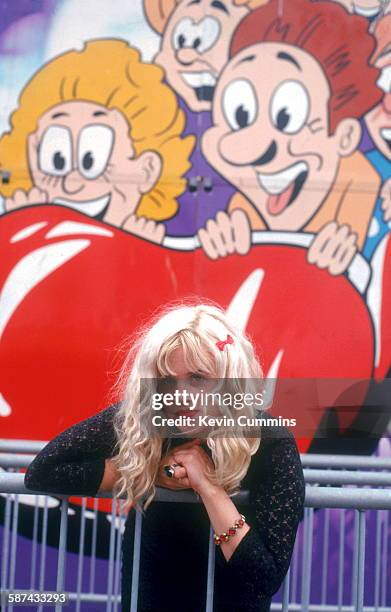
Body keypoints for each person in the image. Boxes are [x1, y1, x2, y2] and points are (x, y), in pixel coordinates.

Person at [24, 300, 306, 612]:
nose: (180, 394)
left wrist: (208, 487)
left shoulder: (268, 439)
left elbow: (263, 578)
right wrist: (148, 469)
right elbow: (43, 471)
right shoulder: (143, 420)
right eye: (168, 380)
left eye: (198, 377)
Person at [0, 39, 195, 243]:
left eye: (91, 159)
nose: (71, 186)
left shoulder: (165, 249)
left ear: (147, 170)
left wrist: (142, 254)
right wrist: (23, 234)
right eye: (56, 159)